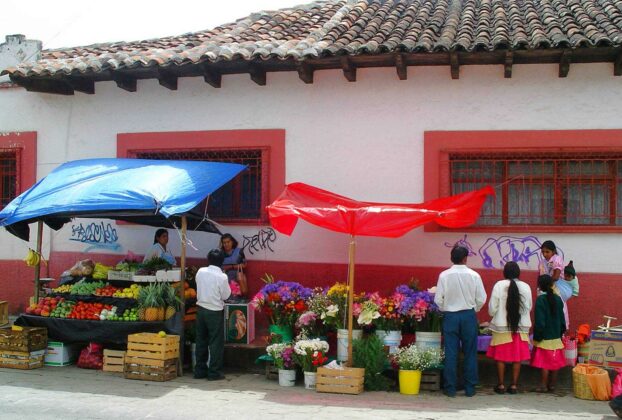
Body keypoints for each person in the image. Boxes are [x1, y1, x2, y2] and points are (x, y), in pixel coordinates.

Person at [434, 245, 487, 397]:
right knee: (470, 352)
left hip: (450, 316)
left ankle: (450, 388)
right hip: (468, 315)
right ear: (465, 259)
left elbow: (438, 299)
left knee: (451, 352)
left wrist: (447, 308)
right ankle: (470, 388)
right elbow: (481, 298)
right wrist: (473, 309)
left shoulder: (444, 275)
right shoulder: (474, 275)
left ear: (452, 258)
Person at [486, 261, 532, 394]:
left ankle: (500, 385)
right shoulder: (526, 287)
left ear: (504, 273)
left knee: (500, 357)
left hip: (501, 327)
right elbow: (528, 307)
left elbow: (492, 308)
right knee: (517, 358)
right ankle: (514, 386)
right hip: (520, 328)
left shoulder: (499, 285)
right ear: (518, 273)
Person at [194, 249, 231, 381]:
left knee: (201, 340)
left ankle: (199, 370)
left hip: (201, 309)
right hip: (214, 311)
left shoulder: (200, 271)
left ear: (208, 259)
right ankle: (214, 372)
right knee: (215, 342)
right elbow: (226, 295)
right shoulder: (222, 276)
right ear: (222, 261)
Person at [531, 274, 567, 393]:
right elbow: (562, 320)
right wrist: (561, 333)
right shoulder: (558, 299)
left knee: (545, 363)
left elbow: (540, 322)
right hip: (556, 336)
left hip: (544, 337)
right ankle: (552, 385)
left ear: (540, 287)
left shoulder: (541, 300)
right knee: (554, 363)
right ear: (552, 285)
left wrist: (537, 336)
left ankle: (543, 385)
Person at [539, 240, 571, 328]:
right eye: (543, 252)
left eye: (547, 252)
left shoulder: (557, 259)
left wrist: (545, 283)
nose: (545, 254)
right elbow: (541, 277)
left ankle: (561, 331)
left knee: (559, 309)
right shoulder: (542, 262)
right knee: (547, 310)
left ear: (553, 251)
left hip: (557, 289)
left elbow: (556, 277)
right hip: (546, 289)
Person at [220, 233, 248, 301]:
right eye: (224, 243)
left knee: (237, 301)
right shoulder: (220, 254)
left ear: (232, 241)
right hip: (225, 282)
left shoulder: (239, 252)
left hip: (238, 280)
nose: (226, 244)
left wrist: (230, 267)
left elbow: (245, 265)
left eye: (228, 242)